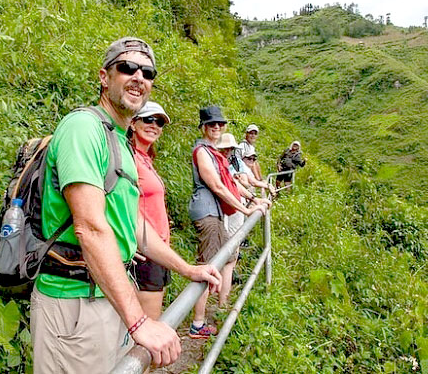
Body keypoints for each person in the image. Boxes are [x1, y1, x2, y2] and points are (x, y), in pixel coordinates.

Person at [31, 37, 222, 374]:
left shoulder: (119, 140)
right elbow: (89, 227)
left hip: (110, 297)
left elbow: (134, 226)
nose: (139, 77)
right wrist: (139, 323)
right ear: (105, 77)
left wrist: (187, 269)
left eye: (147, 72)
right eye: (127, 67)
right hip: (75, 303)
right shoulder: (83, 128)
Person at [188, 106, 269, 338]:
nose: (216, 127)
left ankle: (218, 306)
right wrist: (246, 207)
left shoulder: (212, 151)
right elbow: (217, 186)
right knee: (208, 265)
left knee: (227, 256)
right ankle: (197, 323)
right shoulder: (202, 151)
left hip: (215, 213)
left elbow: (230, 184)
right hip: (207, 213)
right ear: (203, 126)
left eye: (220, 124)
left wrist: (252, 199)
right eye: (212, 124)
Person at [128, 101, 173, 321]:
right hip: (145, 251)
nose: (154, 125)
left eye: (160, 122)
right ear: (133, 123)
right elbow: (116, 203)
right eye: (148, 119)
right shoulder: (129, 159)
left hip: (158, 249)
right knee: (149, 326)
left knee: (153, 319)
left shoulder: (146, 159)